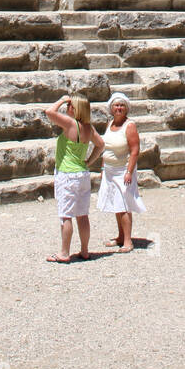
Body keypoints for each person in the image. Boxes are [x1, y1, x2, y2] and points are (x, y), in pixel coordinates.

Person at [45, 93, 104, 263]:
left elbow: (49, 112)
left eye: (70, 105)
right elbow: (100, 145)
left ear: (75, 108)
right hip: (82, 173)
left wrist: (62, 99)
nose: (67, 107)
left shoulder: (71, 123)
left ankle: (64, 253)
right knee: (82, 215)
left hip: (67, 174)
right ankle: (85, 250)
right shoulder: (88, 127)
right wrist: (89, 161)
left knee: (66, 215)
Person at [97, 93, 145, 252]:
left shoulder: (129, 126)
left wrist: (129, 171)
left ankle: (128, 241)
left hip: (122, 170)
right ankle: (120, 236)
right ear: (111, 108)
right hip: (110, 170)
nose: (118, 108)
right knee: (115, 203)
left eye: (122, 105)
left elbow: (135, 150)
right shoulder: (109, 124)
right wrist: (103, 167)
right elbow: (105, 147)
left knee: (124, 204)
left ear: (126, 108)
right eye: (116, 105)